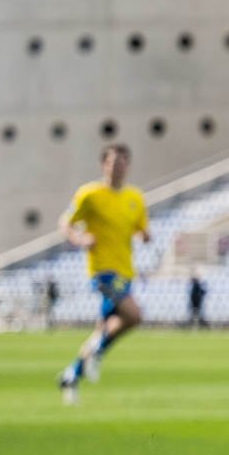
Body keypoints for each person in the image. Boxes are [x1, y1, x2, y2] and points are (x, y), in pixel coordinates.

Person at [57, 144, 150, 404]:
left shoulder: (135, 198)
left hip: (126, 271)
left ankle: (71, 374)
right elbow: (65, 222)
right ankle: (96, 355)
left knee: (105, 329)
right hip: (103, 271)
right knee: (134, 315)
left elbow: (141, 228)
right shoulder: (90, 195)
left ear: (128, 166)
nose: (118, 167)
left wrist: (145, 235)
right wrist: (78, 238)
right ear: (104, 165)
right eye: (112, 162)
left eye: (122, 162)